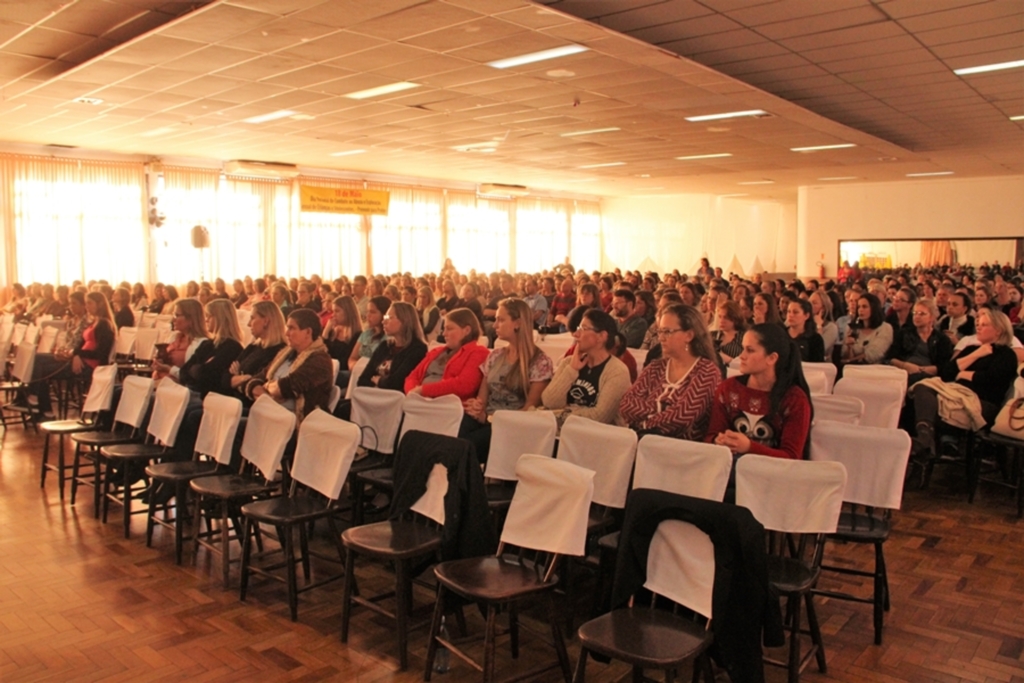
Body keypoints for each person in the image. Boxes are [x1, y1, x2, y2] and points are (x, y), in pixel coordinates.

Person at [909, 308, 1018, 462]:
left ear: (999, 330)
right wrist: (976, 354)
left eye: (984, 325)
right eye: (978, 324)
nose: (978, 327)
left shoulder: (1006, 354)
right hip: (954, 393)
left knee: (921, 407)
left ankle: (923, 449)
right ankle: (925, 439)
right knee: (921, 387)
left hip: (983, 403)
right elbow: (947, 372)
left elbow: (992, 380)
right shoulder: (971, 349)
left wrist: (963, 374)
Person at [460, 299, 553, 461]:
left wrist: (491, 418)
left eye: (501, 320)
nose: (495, 325)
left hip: (513, 426)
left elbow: (530, 408)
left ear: (517, 323)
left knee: (466, 445)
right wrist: (477, 406)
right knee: (450, 433)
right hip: (486, 419)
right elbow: (482, 399)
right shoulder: (495, 356)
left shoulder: (539, 362)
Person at [705, 322, 813, 461]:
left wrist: (750, 447)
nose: (741, 356)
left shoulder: (794, 399)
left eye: (750, 350)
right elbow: (710, 436)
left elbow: (792, 456)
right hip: (729, 472)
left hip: (773, 476)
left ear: (772, 358)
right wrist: (718, 440)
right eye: (742, 349)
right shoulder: (728, 389)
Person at [619, 304, 721, 440]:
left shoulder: (706, 371)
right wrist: (665, 407)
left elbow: (681, 417)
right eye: (660, 331)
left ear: (689, 335)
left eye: (667, 332)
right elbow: (626, 405)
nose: (661, 337)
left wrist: (643, 423)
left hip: (682, 449)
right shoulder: (656, 367)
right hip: (644, 443)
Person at [29, 291, 115, 417]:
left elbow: (101, 353)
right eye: (86, 303)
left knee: (43, 370)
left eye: (90, 303)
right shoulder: (94, 322)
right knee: (38, 358)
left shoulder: (104, 324)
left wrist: (77, 354)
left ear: (100, 304)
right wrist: (71, 354)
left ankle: (42, 407)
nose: (87, 306)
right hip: (81, 359)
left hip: (90, 365)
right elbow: (81, 345)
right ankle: (34, 399)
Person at [541, 309, 630, 426]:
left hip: (594, 438)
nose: (576, 334)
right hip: (561, 434)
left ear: (601, 336)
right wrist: (572, 370)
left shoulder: (617, 371)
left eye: (583, 329)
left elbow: (599, 417)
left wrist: (561, 413)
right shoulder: (569, 363)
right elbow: (549, 402)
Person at [244, 308, 333, 424]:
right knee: (231, 420)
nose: (286, 333)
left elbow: (286, 387)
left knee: (236, 428)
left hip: (297, 425)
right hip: (271, 416)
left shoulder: (320, 360)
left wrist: (266, 386)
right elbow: (256, 379)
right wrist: (269, 398)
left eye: (292, 328)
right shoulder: (285, 354)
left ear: (308, 332)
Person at [405, 308, 490, 400]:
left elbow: (464, 385)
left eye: (449, 329)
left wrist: (422, 390)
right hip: (419, 400)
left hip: (448, 405)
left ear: (467, 330)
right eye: (444, 329)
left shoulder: (478, 352)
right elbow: (412, 377)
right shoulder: (436, 351)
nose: (444, 333)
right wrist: (413, 394)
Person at [224, 300, 287, 406]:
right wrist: (244, 377)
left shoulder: (279, 351)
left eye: (252, 318)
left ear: (266, 321)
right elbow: (225, 378)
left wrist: (237, 378)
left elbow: (258, 384)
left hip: (250, 406)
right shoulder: (254, 346)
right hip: (235, 401)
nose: (248, 324)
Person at [357, 301, 427, 391]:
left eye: (389, 318)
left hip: (396, 401)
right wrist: (380, 384)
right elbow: (362, 380)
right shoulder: (385, 346)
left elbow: (397, 383)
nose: (383, 322)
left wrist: (379, 381)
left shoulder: (417, 349)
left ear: (404, 321)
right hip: (374, 397)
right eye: (385, 317)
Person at [886, 299, 953, 385]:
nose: (917, 316)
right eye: (915, 313)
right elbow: (890, 358)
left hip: (929, 376)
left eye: (922, 314)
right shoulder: (904, 333)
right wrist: (905, 365)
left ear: (932, 317)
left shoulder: (942, 339)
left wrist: (920, 370)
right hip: (903, 372)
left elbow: (944, 367)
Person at [151, 298, 211, 382]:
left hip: (178, 388)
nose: (173, 319)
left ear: (190, 319)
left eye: (177, 315)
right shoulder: (174, 337)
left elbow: (189, 377)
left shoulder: (202, 344)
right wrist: (159, 363)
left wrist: (169, 369)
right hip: (160, 382)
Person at [842, 293, 893, 365]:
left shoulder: (885, 328)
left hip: (874, 370)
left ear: (874, 308)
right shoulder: (852, 328)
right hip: (852, 370)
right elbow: (845, 356)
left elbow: (874, 354)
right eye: (859, 307)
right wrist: (849, 348)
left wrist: (850, 361)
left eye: (864, 307)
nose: (860, 310)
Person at [348, 295, 390, 371]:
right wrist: (354, 366)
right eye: (367, 311)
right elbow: (352, 358)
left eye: (373, 312)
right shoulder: (366, 334)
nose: (368, 315)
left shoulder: (389, 337)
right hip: (358, 370)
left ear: (384, 314)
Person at [322, 295, 361, 369]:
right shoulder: (333, 331)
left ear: (348, 312)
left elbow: (345, 362)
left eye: (337, 311)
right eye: (333, 311)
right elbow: (322, 354)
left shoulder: (357, 335)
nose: (333, 315)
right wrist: (325, 332)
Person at [712, 300, 745, 366]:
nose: (721, 321)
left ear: (735, 319)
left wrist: (728, 359)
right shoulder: (712, 335)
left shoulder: (743, 337)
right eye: (720, 317)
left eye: (725, 317)